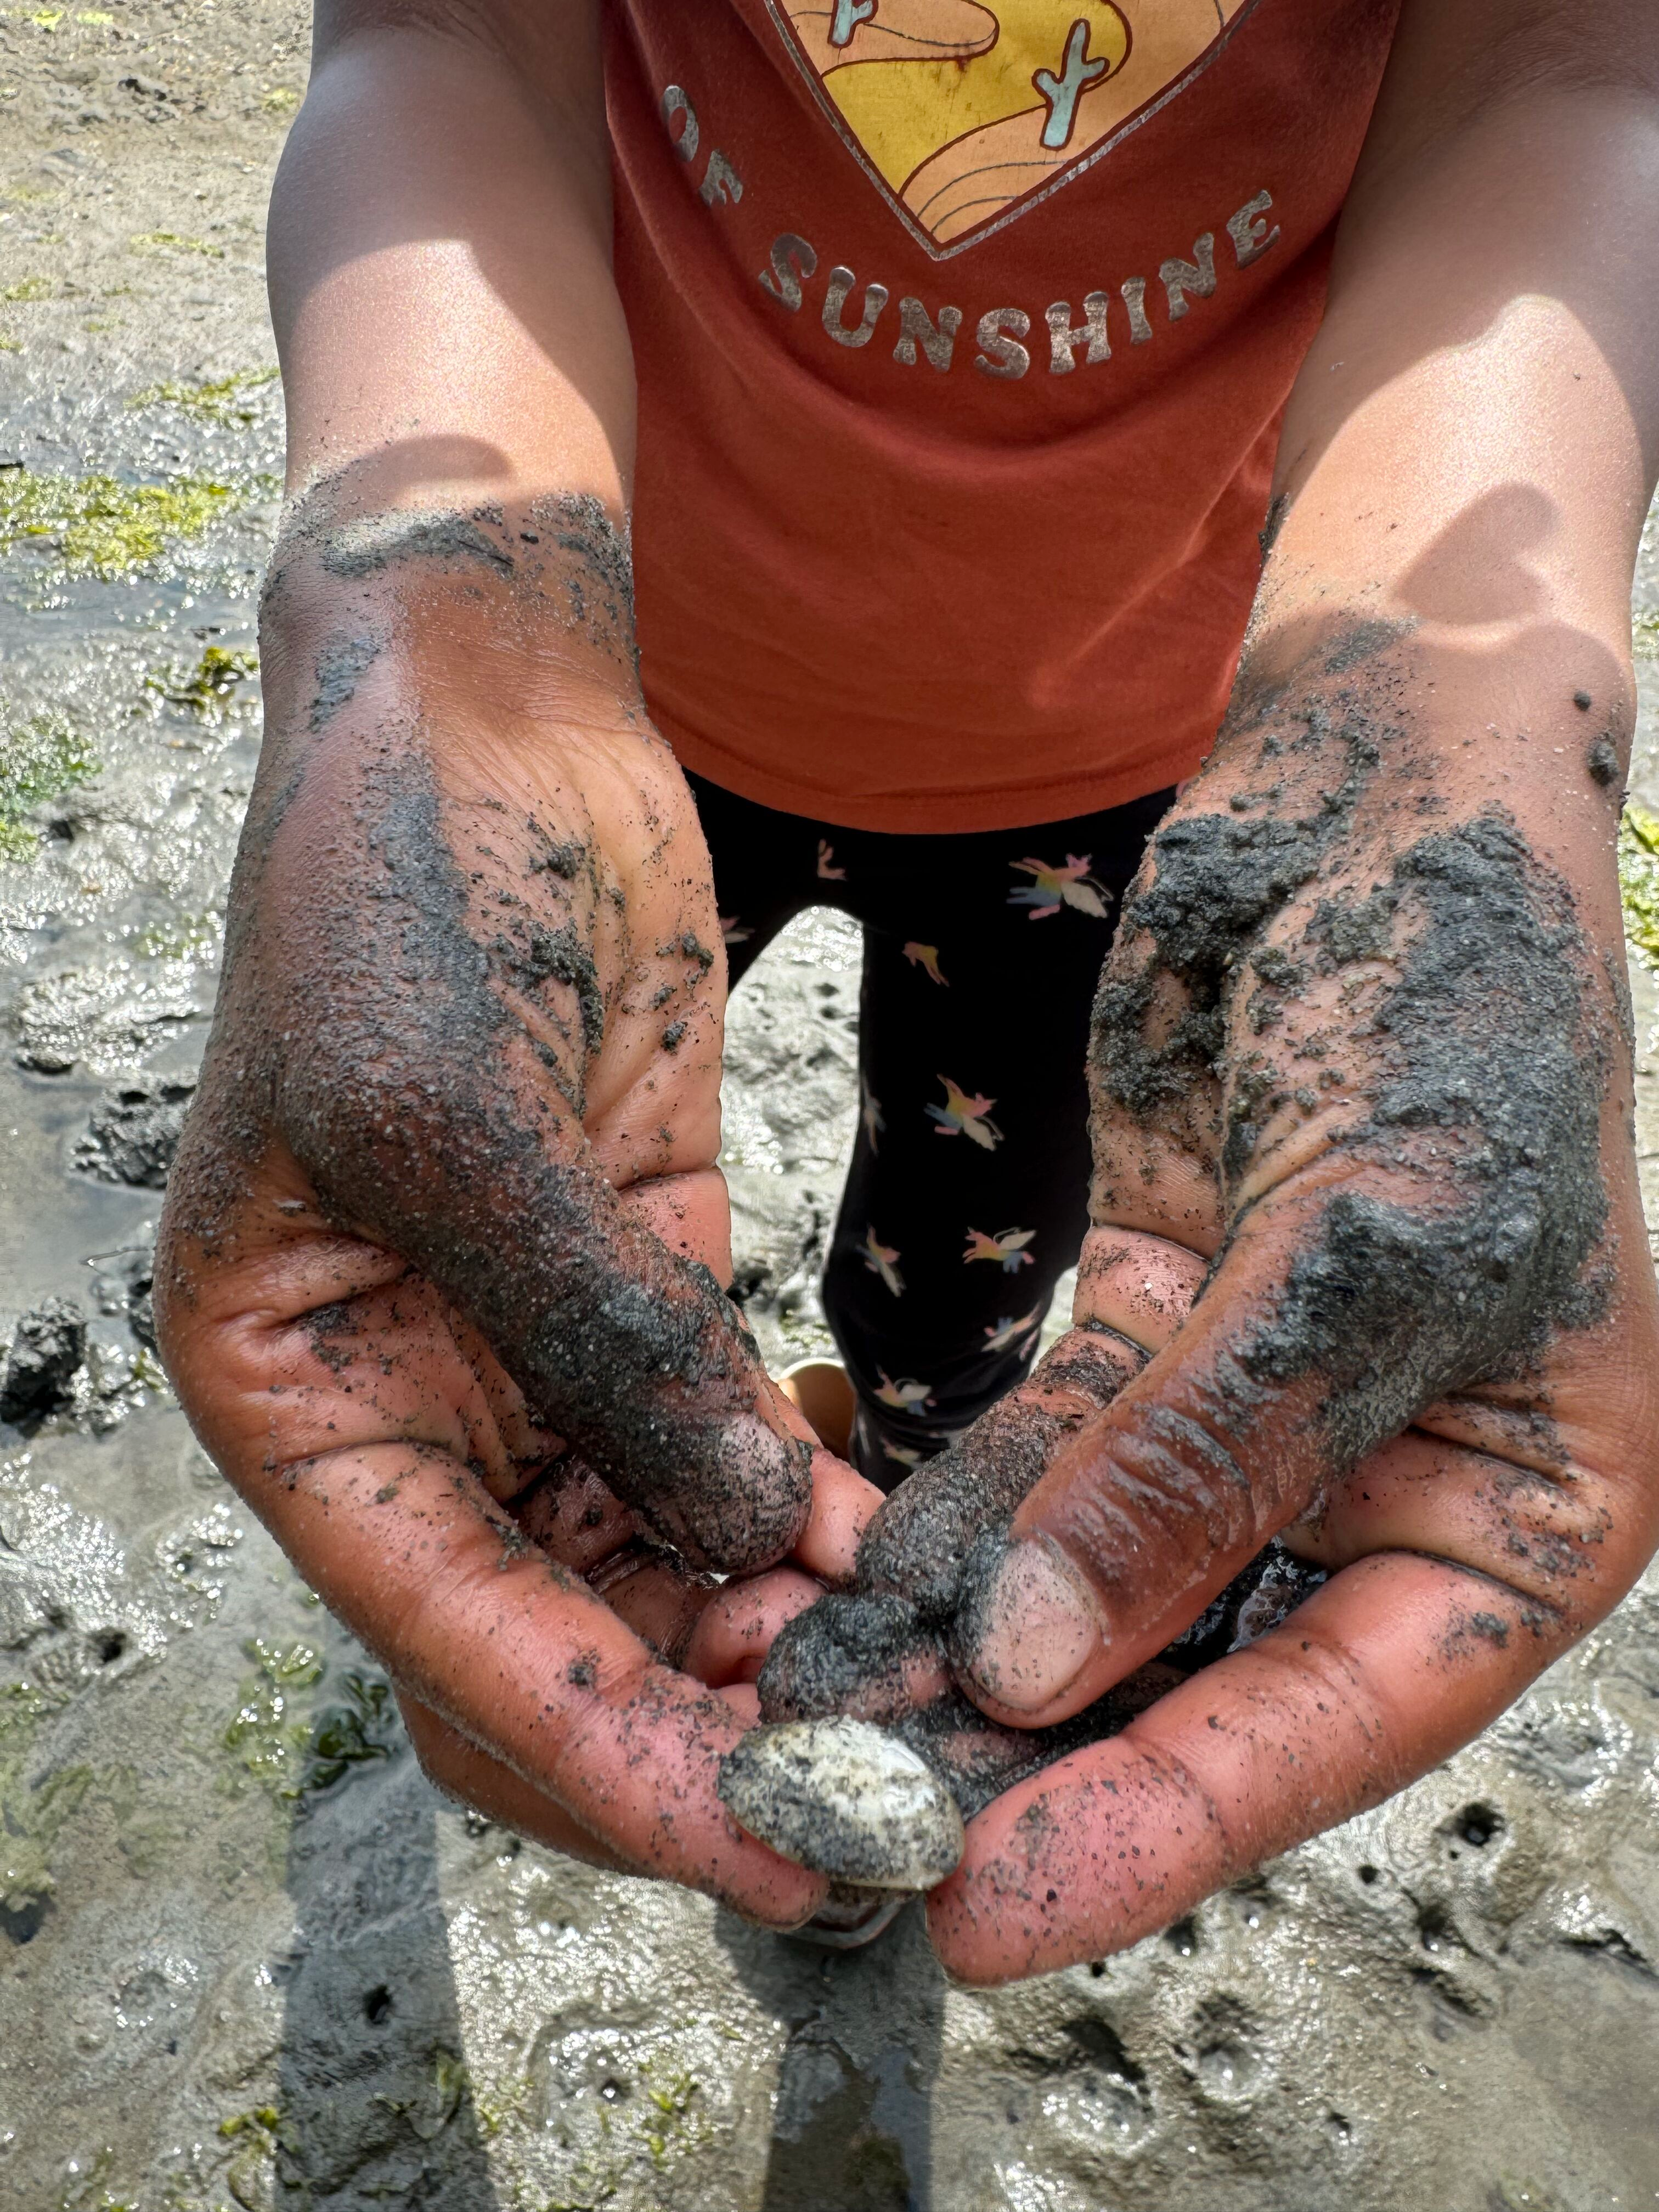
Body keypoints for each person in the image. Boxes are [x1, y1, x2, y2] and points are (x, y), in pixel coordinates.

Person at [155, 0, 1659, 1985]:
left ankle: (910, 1484)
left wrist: (1473, 734)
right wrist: (406, 621)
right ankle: (787, 1545)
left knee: (968, 1272)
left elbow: (1566, 79)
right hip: (596, 724)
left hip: (1122, 793)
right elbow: (440, 38)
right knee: (532, 1262)